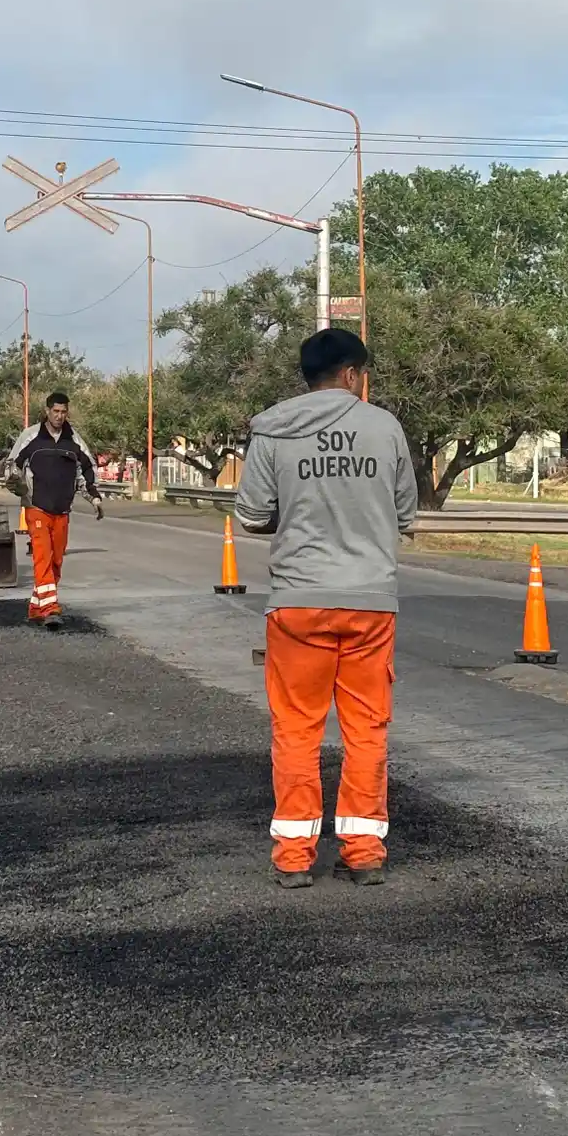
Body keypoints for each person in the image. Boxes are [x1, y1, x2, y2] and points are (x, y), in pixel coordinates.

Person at [234, 328, 418, 890]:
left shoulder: (272, 430)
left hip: (297, 602)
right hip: (369, 604)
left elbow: (251, 514)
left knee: (296, 729)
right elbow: (405, 512)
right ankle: (362, 852)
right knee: (367, 729)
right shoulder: (384, 427)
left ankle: (294, 858)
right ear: (351, 375)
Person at [5, 390, 102, 631]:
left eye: (63, 412)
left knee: (56, 561)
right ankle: (51, 609)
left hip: (62, 510)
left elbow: (87, 471)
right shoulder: (31, 437)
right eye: (55, 411)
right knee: (42, 557)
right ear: (47, 412)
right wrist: (16, 483)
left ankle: (38, 607)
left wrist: (95, 499)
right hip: (36, 507)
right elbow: (12, 465)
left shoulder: (75, 441)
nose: (59, 416)